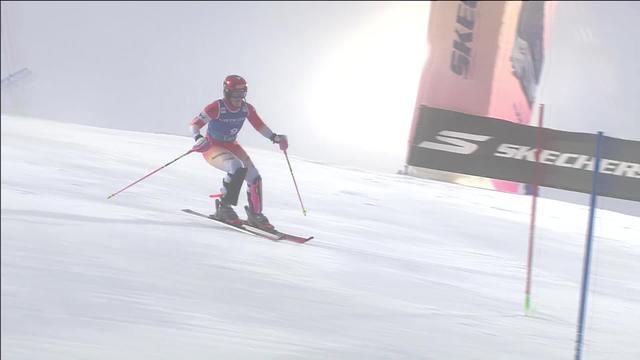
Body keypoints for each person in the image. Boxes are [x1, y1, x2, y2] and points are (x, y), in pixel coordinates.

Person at [189, 75, 288, 230]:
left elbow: (259, 126)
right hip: (212, 146)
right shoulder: (217, 107)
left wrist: (275, 137)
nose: (239, 98)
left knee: (254, 176)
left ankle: (256, 214)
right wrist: (198, 137)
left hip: (231, 145)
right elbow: (194, 124)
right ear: (227, 92)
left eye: (242, 94)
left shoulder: (246, 108)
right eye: (236, 94)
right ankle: (224, 207)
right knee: (236, 166)